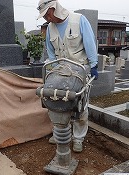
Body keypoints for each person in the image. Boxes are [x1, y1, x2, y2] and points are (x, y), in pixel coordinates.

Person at [37, 0, 98, 152]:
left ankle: (78, 138)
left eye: (47, 14)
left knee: (80, 105)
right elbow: (50, 51)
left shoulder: (78, 20)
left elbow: (90, 43)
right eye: (44, 16)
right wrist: (51, 69)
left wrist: (94, 64)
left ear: (53, 8)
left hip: (79, 69)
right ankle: (60, 133)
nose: (46, 18)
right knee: (55, 98)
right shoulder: (50, 27)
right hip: (59, 68)